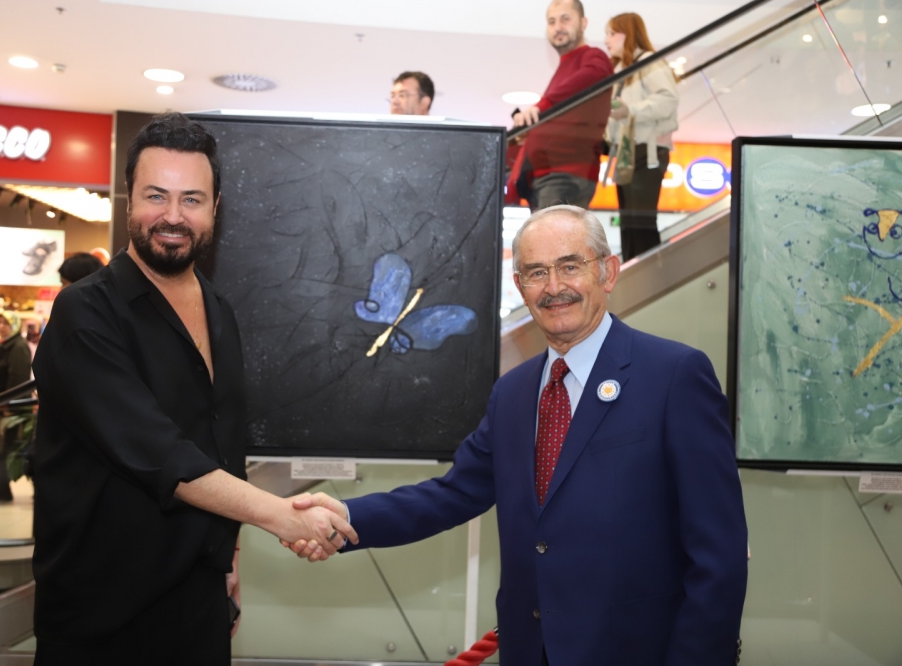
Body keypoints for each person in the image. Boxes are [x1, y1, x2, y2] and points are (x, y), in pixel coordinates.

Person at [292, 205, 748, 665]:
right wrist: (344, 517)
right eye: (536, 272)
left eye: (570, 266)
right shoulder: (512, 393)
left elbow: (720, 554)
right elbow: (451, 495)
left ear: (608, 272)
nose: (554, 287)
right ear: (520, 286)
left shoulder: (674, 375)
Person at [31, 112, 358, 665]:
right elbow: (159, 453)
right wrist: (281, 516)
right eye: (156, 196)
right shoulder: (83, 313)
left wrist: (229, 556)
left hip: (198, 597)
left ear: (215, 207)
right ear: (129, 199)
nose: (173, 216)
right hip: (100, 609)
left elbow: (222, 444)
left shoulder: (218, 308)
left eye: (192, 200)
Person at [508, 0, 614, 211]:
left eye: (565, 19)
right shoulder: (566, 66)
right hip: (548, 174)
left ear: (583, 23)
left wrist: (543, 105)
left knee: (553, 233)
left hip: (565, 173)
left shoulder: (593, 56)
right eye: (552, 22)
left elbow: (595, 73)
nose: (558, 27)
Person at [604, 12, 679, 261]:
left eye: (612, 33)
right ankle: (635, 274)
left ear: (628, 33)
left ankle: (648, 278)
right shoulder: (622, 71)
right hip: (628, 153)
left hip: (647, 152)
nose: (606, 39)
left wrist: (631, 111)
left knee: (641, 224)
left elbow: (668, 100)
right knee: (630, 225)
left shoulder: (648, 62)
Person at [0, 312, 32, 501]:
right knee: (1, 448)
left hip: (10, 411)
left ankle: (5, 487)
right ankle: (2, 487)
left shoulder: (17, 347)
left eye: (6, 323)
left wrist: (11, 406)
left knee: (9, 449)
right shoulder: (1, 346)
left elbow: (18, 379)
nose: (1, 326)